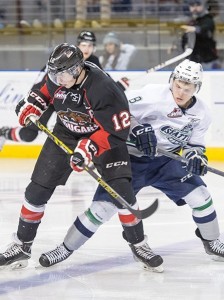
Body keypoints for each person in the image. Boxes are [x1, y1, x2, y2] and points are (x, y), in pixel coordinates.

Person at [38, 59, 224, 271]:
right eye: (178, 85)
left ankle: (212, 242)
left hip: (167, 162)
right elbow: (118, 109)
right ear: (171, 81)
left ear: (196, 89)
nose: (180, 92)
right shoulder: (152, 95)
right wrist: (137, 129)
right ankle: (65, 248)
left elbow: (195, 145)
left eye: (187, 89)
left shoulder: (202, 113)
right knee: (101, 210)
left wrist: (197, 157)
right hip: (131, 159)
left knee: (201, 196)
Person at [0, 43, 162, 271]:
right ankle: (21, 246)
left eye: (63, 74)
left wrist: (89, 147)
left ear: (77, 70)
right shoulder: (56, 77)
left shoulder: (103, 88)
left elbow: (118, 131)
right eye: (54, 74)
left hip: (104, 137)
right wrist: (32, 106)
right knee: (36, 189)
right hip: (65, 133)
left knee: (122, 191)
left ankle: (139, 245)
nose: (58, 79)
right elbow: (43, 91)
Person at [0, 30, 128, 150]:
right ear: (78, 46)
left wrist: (119, 86)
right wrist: (36, 101)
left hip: (70, 101)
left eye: (90, 45)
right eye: (84, 45)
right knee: (29, 134)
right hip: (50, 98)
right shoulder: (61, 58)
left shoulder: (93, 62)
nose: (87, 49)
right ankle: (3, 132)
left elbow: (105, 85)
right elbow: (42, 84)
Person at [180, 0, 219, 69]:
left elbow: (205, 28)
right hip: (193, 59)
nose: (195, 8)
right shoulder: (191, 21)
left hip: (206, 60)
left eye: (197, 5)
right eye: (192, 6)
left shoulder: (207, 19)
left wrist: (195, 29)